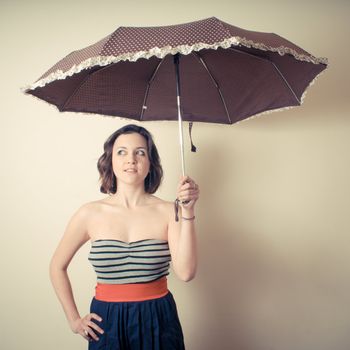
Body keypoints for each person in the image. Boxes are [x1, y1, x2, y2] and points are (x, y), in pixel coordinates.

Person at [49, 124, 199, 349]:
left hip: (158, 317)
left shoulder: (170, 211)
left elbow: (186, 273)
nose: (131, 159)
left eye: (140, 152)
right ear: (110, 161)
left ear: (150, 163)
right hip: (106, 321)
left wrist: (187, 211)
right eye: (122, 152)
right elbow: (56, 266)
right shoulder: (89, 213)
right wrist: (74, 320)